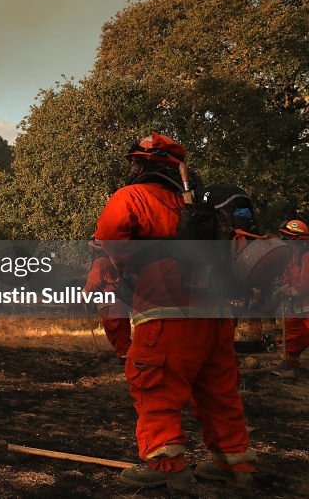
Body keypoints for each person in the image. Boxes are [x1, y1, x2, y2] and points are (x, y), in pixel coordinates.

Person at [93, 133, 256, 490]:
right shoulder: (200, 206)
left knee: (156, 387)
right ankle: (236, 465)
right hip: (215, 317)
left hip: (165, 316)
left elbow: (109, 240)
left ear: (141, 164)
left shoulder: (130, 196)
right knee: (219, 391)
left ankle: (166, 465)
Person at [84, 239, 132, 364]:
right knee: (122, 332)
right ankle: (125, 356)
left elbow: (94, 282)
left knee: (116, 332)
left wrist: (84, 294)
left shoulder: (100, 262)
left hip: (109, 304)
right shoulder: (115, 260)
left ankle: (125, 358)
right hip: (119, 303)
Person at [278, 219, 309, 379]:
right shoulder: (291, 258)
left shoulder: (307, 257)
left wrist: (290, 290)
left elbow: (304, 284)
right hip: (298, 307)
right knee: (292, 337)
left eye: (287, 238)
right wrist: (284, 287)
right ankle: (290, 366)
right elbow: (287, 277)